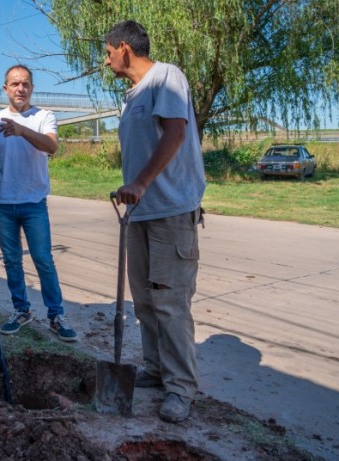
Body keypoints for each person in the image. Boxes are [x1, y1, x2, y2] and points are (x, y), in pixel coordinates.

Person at [104, 20, 206, 423]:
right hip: (140, 213)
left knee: (170, 303)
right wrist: (130, 189)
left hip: (170, 212)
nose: (106, 59)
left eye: (108, 51)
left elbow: (176, 134)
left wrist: (142, 183)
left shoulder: (167, 77)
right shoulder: (131, 96)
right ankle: (155, 369)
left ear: (124, 48)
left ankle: (181, 389)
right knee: (145, 302)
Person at [0, 65, 77, 342]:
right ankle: (21, 310)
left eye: (25, 84)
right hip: (1, 202)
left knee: (43, 259)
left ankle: (56, 315)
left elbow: (52, 146)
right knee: (11, 261)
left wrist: (22, 130)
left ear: (32, 88)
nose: (20, 89)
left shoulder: (44, 116)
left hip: (33, 202)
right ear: (5, 88)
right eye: (15, 84)